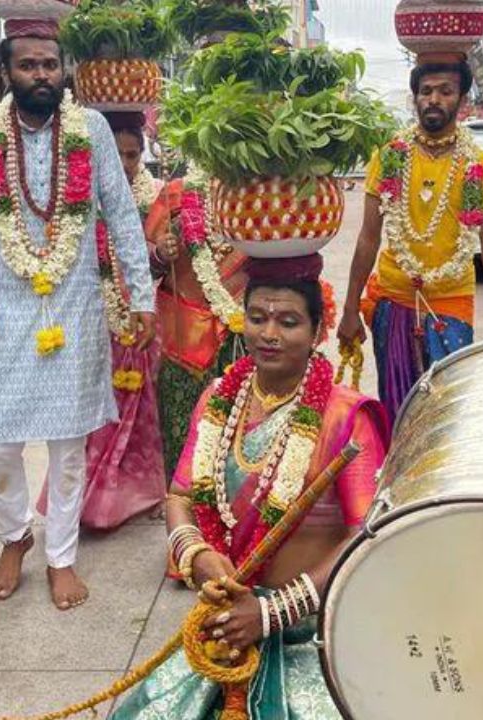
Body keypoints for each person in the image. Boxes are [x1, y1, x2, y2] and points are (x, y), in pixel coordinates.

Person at [0, 22, 156, 610]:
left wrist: (141, 295)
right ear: (7, 74)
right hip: (8, 306)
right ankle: (15, 536)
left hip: (75, 306)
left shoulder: (93, 129)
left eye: (50, 65)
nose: (41, 75)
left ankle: (62, 556)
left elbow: (122, 214)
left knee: (68, 446)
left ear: (63, 71)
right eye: (29, 65)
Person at [111, 253, 390, 719]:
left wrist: (272, 613)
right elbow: (180, 496)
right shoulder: (219, 396)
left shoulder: (346, 418)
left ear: (318, 330)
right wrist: (196, 555)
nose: (269, 334)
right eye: (257, 318)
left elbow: (368, 535)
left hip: (310, 633)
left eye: (288, 321)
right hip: (225, 626)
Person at [338, 58, 483, 416]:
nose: (434, 99)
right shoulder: (390, 158)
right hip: (394, 299)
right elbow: (367, 238)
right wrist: (349, 309)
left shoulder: (479, 165)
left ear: (462, 100)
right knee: (397, 405)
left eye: (445, 91)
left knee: (446, 410)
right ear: (415, 98)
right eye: (426, 91)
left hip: (452, 300)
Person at [33, 112, 165, 530]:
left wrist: (161, 253)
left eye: (133, 154)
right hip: (94, 320)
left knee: (141, 415)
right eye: (119, 154)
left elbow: (159, 262)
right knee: (95, 420)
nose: (125, 163)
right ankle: (90, 500)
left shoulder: (154, 199)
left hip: (141, 321)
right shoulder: (78, 200)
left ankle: (136, 495)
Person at [144, 165, 248, 481]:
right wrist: (161, 253)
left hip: (244, 331)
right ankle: (182, 501)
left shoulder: (263, 189)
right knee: (181, 426)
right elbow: (142, 264)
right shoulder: (177, 192)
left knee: (241, 429)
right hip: (184, 331)